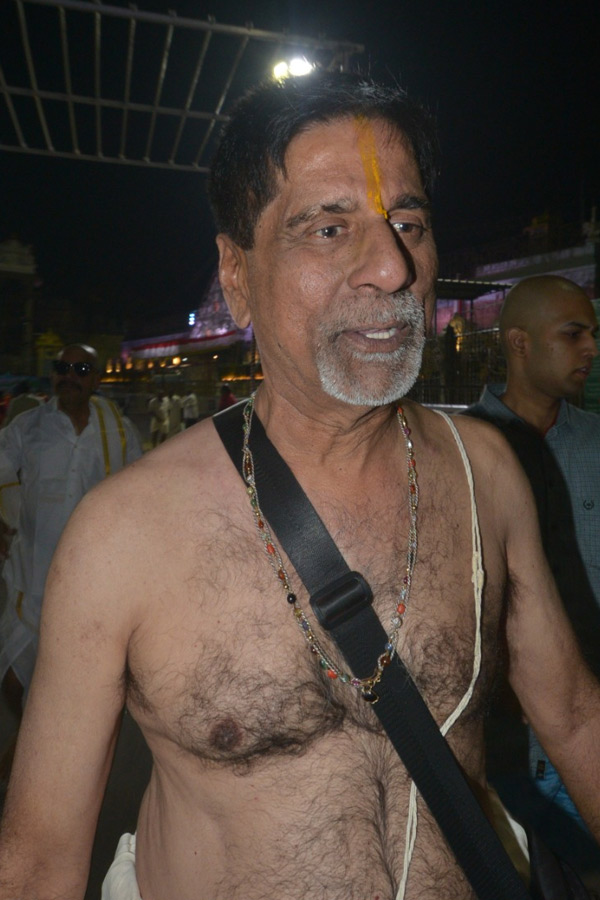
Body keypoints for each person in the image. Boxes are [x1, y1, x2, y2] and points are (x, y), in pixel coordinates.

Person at [1, 72, 600, 900]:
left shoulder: (486, 474)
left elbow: (573, 717)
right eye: (327, 229)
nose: (391, 268)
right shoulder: (122, 538)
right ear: (235, 273)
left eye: (410, 224)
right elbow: (37, 863)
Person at [465, 274, 600, 833]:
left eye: (592, 334)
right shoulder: (457, 452)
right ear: (519, 343)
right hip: (501, 761)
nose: (591, 349)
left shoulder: (596, 444)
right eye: (574, 334)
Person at [0, 344, 142, 712]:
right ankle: (25, 740)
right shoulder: (28, 426)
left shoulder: (119, 433)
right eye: (62, 367)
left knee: (73, 689)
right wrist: (8, 517)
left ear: (95, 379)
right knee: (12, 682)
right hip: (32, 575)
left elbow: (139, 493)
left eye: (81, 369)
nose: (70, 376)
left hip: (90, 582)